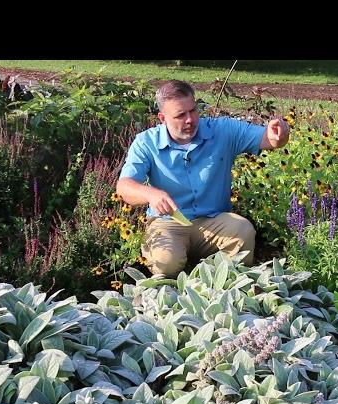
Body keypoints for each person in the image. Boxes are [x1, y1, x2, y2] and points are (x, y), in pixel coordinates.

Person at [116, 80, 290, 277]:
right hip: (168, 223)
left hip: (214, 220)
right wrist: (151, 194)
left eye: (193, 110)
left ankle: (225, 285)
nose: (190, 119)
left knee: (243, 231)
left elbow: (267, 138)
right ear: (162, 118)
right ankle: (174, 295)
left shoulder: (223, 131)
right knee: (165, 262)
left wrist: (278, 135)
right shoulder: (146, 142)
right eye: (181, 115)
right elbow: (124, 187)